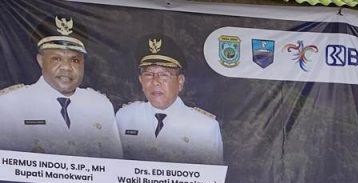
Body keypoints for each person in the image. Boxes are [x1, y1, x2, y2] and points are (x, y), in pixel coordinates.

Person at [0, 15, 122, 157]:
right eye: (56, 58)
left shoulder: (100, 106)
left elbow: (114, 163)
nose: (66, 67)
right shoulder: (9, 105)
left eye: (74, 60)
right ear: (41, 61)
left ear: (83, 63)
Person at [115, 35, 223, 164]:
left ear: (180, 82)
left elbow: (211, 175)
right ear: (141, 81)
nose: (155, 81)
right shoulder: (125, 117)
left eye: (164, 75)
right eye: (148, 74)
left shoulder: (205, 127)